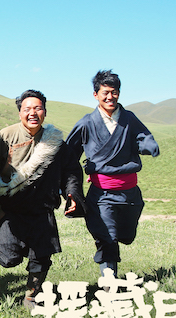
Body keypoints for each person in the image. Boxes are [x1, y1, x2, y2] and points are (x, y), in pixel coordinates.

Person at [0, 90, 85, 309]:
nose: (32, 113)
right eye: (27, 109)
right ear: (19, 112)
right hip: (11, 209)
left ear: (45, 112)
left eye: (37, 108)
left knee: (42, 255)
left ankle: (32, 295)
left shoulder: (55, 141)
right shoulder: (6, 136)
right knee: (8, 258)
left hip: (42, 208)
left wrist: (72, 194)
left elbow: (71, 171)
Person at [66, 70, 159, 280]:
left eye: (114, 92)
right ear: (95, 94)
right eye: (106, 92)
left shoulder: (129, 119)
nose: (110, 97)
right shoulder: (86, 123)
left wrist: (148, 145)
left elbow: (143, 136)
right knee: (106, 236)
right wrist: (70, 188)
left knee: (126, 235)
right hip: (101, 193)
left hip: (130, 193)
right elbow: (69, 154)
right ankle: (110, 282)